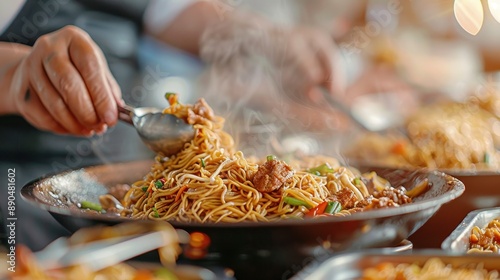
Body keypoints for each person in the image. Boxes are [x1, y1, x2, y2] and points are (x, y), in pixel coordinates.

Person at [0, 0, 344, 250]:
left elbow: (169, 9)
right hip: (12, 193)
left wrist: (270, 40)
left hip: (118, 190)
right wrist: (14, 75)